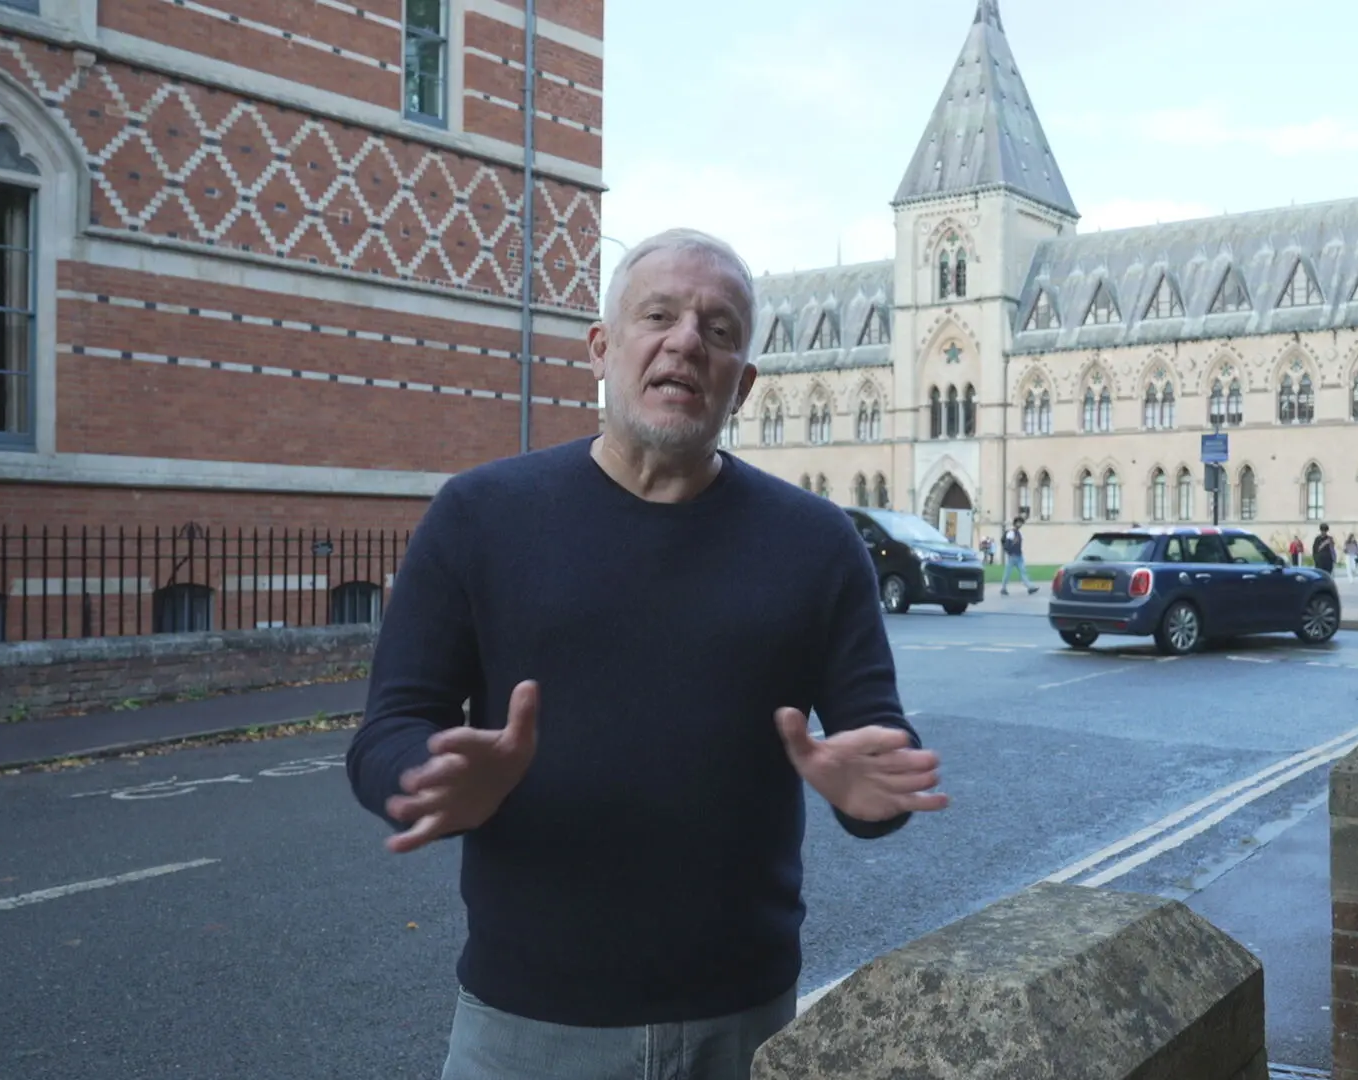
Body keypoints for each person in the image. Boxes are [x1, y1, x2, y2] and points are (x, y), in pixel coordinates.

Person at [345, 228, 950, 1080]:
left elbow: (875, 747)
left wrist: (874, 796)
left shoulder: (817, 545)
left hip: (743, 1027)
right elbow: (389, 729)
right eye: (658, 315)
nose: (686, 342)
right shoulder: (479, 517)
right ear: (601, 348)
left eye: (719, 329)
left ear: (744, 383)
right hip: (524, 1029)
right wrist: (429, 775)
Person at [1000, 515, 1037, 595]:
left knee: (1023, 572)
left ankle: (1030, 587)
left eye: (1021, 523)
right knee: (1008, 573)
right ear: (1015, 523)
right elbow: (1007, 544)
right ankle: (1003, 588)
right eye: (1019, 522)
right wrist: (1010, 552)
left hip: (1019, 556)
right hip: (1012, 556)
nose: (1020, 524)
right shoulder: (1011, 533)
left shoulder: (1019, 533)